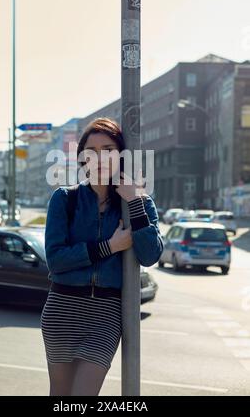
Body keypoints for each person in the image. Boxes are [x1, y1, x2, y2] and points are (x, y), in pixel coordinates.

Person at [40, 117, 164, 396]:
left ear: (121, 154)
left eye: (108, 149)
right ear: (82, 157)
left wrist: (134, 202)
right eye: (91, 151)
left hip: (106, 314)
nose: (100, 158)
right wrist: (109, 246)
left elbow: (150, 255)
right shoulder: (65, 198)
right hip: (63, 307)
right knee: (60, 396)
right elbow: (56, 260)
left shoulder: (140, 201)